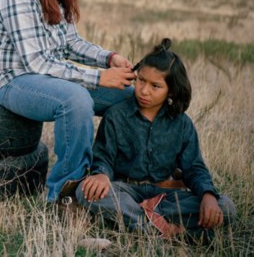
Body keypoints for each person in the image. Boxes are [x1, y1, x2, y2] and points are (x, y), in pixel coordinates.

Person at [0, 0, 136, 202]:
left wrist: (109, 59)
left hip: (46, 79)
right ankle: (64, 196)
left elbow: (72, 43)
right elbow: (37, 63)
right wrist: (99, 77)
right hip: (11, 82)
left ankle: (108, 174)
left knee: (128, 96)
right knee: (75, 99)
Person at [76, 38, 236, 242]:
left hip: (165, 196)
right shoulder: (116, 115)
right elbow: (104, 158)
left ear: (171, 90)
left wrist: (207, 195)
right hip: (125, 192)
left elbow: (194, 168)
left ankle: (140, 224)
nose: (144, 90)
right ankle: (160, 229)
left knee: (225, 207)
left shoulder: (181, 123)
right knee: (85, 192)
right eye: (141, 80)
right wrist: (101, 175)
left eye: (155, 86)